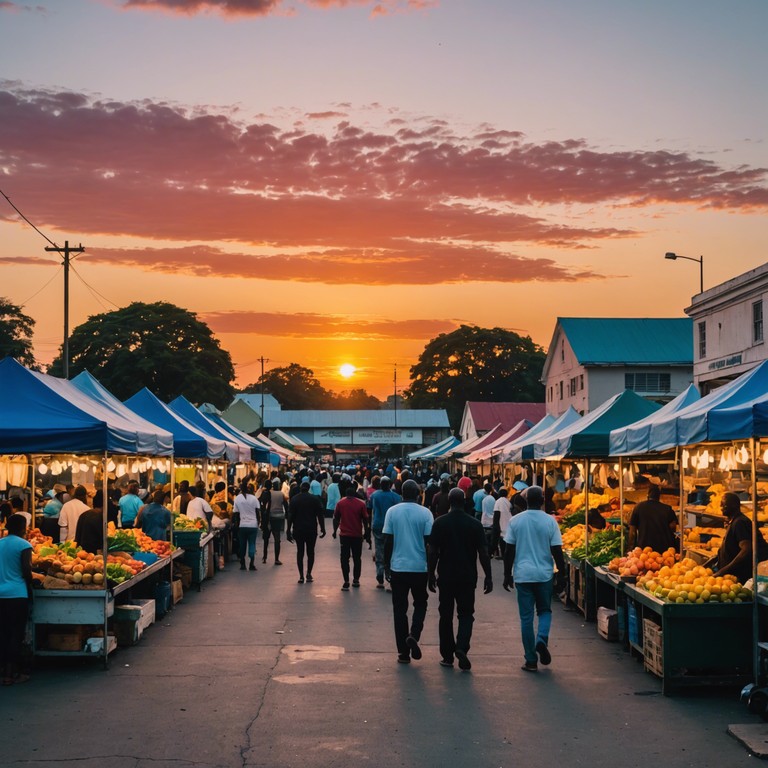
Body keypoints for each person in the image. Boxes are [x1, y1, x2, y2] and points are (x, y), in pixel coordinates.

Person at [502, 485, 565, 673]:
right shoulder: (550, 521)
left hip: (523, 575)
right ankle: (541, 639)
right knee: (545, 611)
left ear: (526, 501)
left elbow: (509, 550)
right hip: (544, 574)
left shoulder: (516, 521)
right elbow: (557, 550)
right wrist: (562, 573)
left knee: (526, 618)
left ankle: (530, 660)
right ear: (543, 501)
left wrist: (507, 574)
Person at [428, 488, 493, 670]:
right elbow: (483, 553)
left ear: (449, 501)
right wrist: (488, 576)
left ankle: (447, 656)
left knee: (445, 615)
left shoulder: (440, 523)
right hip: (467, 576)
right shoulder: (474, 524)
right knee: (466, 614)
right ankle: (462, 647)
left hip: (446, 576)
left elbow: (432, 551)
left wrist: (430, 573)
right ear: (464, 501)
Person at [383, 479, 433, 664]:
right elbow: (430, 544)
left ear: (401, 492)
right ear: (418, 494)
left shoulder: (392, 512)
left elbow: (388, 541)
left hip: (398, 567)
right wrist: (432, 568)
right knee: (421, 603)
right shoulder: (426, 513)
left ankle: (403, 653)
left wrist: (386, 565)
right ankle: (414, 634)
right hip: (419, 567)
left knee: (400, 609)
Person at [0, 514, 33, 686]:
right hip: (17, 595)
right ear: (22, 528)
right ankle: (11, 673)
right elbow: (26, 570)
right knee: (16, 634)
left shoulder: (0, 543)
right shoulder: (24, 545)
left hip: (1, 595)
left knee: (3, 634)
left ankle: (4, 671)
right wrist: (31, 583)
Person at [716, 492, 768, 583]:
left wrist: (724, 570)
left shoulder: (740, 522)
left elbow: (746, 549)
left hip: (742, 577)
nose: (721, 506)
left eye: (724, 504)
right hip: (732, 576)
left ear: (734, 505)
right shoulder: (735, 521)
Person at [287, 480, 326, 583]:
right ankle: (309, 573)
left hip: (298, 529)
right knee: (310, 552)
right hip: (311, 529)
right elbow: (320, 515)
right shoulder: (315, 499)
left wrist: (288, 530)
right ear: (309, 489)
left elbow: (290, 516)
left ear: (300, 488)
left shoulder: (294, 499)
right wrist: (323, 528)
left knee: (300, 552)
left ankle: (301, 576)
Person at [333, 482, 370, 590]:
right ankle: (356, 579)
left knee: (344, 558)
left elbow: (336, 518)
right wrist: (366, 532)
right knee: (357, 558)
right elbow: (365, 519)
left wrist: (335, 531)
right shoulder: (361, 504)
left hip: (344, 535)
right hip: (357, 535)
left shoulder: (340, 503)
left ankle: (346, 580)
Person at [370, 476, 401, 589]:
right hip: (392, 527)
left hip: (378, 525)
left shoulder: (375, 495)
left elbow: (370, 509)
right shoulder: (396, 497)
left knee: (379, 550)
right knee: (392, 550)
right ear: (389, 485)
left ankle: (380, 573)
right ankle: (391, 574)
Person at [628, 485, 676, 552]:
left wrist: (630, 548)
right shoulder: (667, 509)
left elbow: (632, 531)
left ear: (647, 496)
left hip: (643, 549)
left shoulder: (638, 507)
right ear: (659, 497)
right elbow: (673, 527)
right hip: (663, 549)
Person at [234, 481, 260, 571]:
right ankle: (251, 564)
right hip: (253, 525)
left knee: (242, 545)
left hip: (242, 525)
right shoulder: (254, 498)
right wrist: (258, 523)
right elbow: (257, 512)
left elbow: (236, 514)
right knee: (252, 544)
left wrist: (237, 526)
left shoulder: (237, 498)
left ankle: (243, 564)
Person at [263, 478, 287, 565]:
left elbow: (265, 504)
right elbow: (286, 505)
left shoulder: (269, 493)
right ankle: (276, 559)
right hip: (279, 517)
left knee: (266, 538)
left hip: (270, 517)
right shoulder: (281, 494)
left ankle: (265, 557)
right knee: (277, 538)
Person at [493, 488, 512, 559]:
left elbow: (496, 513)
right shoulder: (508, 502)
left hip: (501, 521)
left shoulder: (498, 501)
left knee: (501, 539)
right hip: (508, 521)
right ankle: (506, 555)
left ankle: (503, 555)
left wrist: (495, 525)